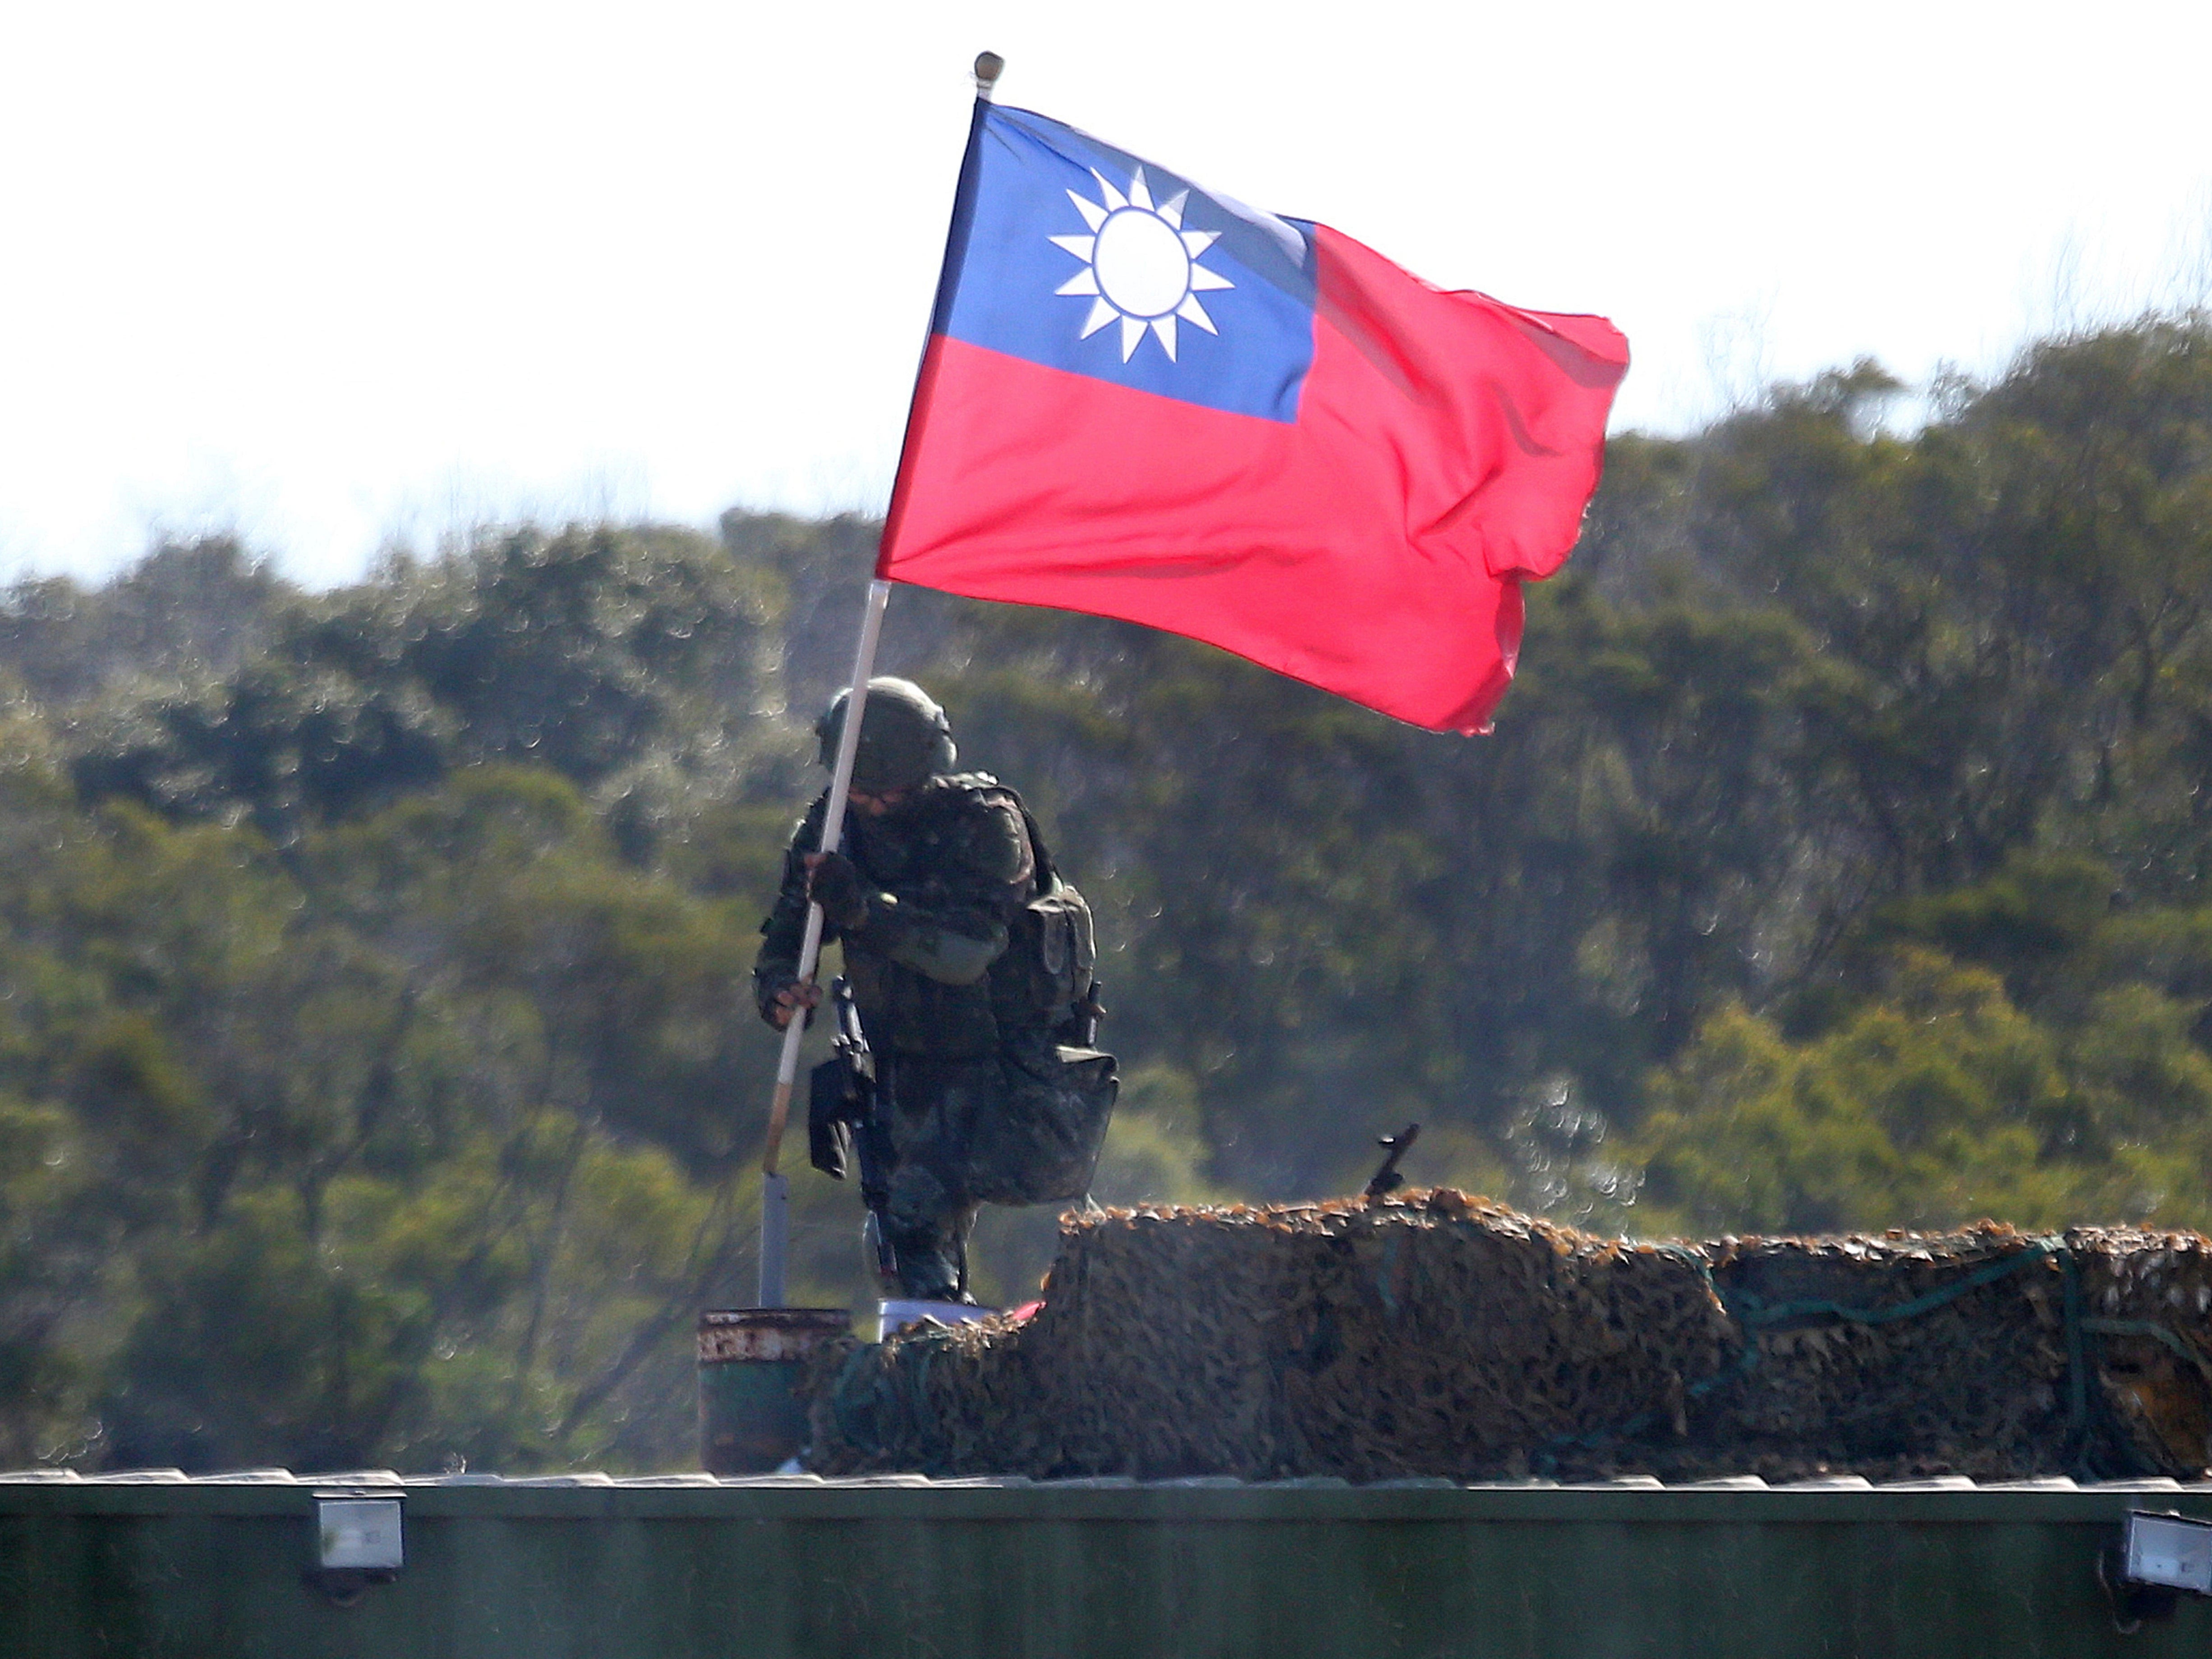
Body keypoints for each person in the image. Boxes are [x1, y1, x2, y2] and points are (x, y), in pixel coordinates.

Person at [754, 676, 1115, 1302]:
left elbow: (966, 955)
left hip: (1012, 1068)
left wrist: (863, 909)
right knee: (906, 1244)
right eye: (859, 790)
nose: (871, 804)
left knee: (1064, 1232)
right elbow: (783, 942)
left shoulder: (985, 825)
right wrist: (781, 991)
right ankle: (936, 1360)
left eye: (884, 790)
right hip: (909, 1069)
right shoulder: (830, 829)